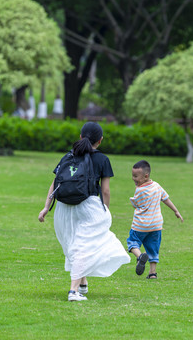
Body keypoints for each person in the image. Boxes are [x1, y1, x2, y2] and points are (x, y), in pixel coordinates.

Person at [38, 122, 130, 301]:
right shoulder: (102, 159)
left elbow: (55, 183)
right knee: (84, 246)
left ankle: (82, 283)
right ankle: (73, 291)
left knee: (76, 243)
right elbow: (105, 191)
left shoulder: (68, 156)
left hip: (63, 208)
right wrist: (105, 211)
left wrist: (46, 207)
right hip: (88, 206)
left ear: (81, 137)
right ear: (100, 140)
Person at [127, 160, 183, 280]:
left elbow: (136, 204)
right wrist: (176, 211)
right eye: (133, 175)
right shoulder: (157, 186)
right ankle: (153, 273)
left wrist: (134, 203)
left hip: (140, 225)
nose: (133, 179)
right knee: (153, 247)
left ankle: (140, 256)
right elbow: (166, 198)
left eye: (136, 176)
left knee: (132, 242)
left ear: (146, 176)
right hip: (156, 225)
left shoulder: (139, 190)